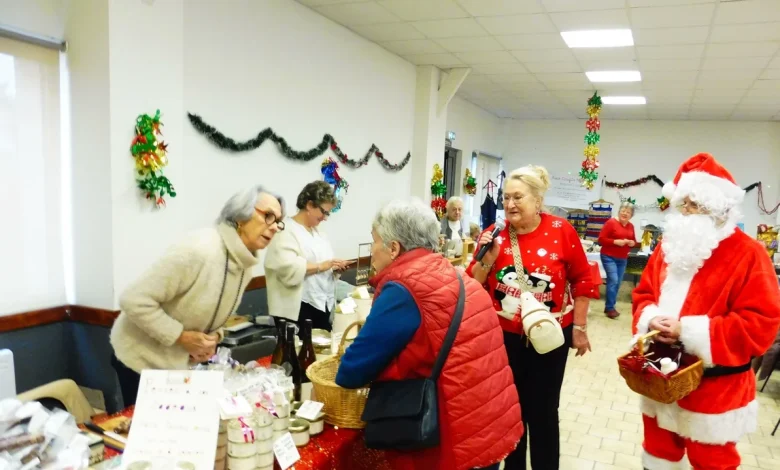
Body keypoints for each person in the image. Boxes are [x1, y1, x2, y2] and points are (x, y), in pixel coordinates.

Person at [335, 199, 523, 470]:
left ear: (393, 247)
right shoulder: (455, 275)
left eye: (374, 241)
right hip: (485, 424)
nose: (372, 251)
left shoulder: (404, 288)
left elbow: (350, 372)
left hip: (448, 437)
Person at [632, 153, 780, 470]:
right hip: (660, 376)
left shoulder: (750, 254)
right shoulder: (668, 245)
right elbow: (643, 293)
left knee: (712, 461)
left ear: (720, 208)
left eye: (693, 204)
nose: (684, 212)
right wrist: (649, 317)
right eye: (682, 203)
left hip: (716, 388)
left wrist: (688, 332)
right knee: (658, 453)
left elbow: (761, 325)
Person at [466, 165, 594, 470]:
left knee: (544, 410)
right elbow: (474, 281)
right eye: (506, 197)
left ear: (537, 200)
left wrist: (579, 326)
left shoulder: (562, 231)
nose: (510, 204)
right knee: (510, 410)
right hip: (504, 337)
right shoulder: (493, 234)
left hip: (550, 337)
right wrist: (488, 260)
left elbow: (583, 280)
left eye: (518, 197)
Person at [110, 185, 284, 407]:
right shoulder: (201, 248)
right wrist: (182, 337)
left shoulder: (244, 263)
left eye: (278, 221)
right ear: (241, 216)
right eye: (268, 216)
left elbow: (214, 311)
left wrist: (213, 338)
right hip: (140, 359)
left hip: (176, 363)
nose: (275, 227)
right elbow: (133, 300)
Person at [264, 181, 352, 331]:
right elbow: (287, 268)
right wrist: (321, 266)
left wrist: (335, 270)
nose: (325, 218)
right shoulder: (285, 230)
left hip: (321, 305)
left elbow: (326, 265)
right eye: (324, 212)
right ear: (310, 205)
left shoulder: (319, 234)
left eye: (328, 213)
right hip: (298, 308)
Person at [597, 201, 638, 319]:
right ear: (619, 211)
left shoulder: (631, 226)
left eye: (628, 212)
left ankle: (608, 306)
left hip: (622, 258)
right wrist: (615, 242)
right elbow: (601, 239)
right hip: (608, 256)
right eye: (623, 211)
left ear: (631, 215)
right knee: (613, 280)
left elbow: (634, 241)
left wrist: (631, 243)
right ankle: (610, 308)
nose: (625, 213)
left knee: (617, 283)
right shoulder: (611, 223)